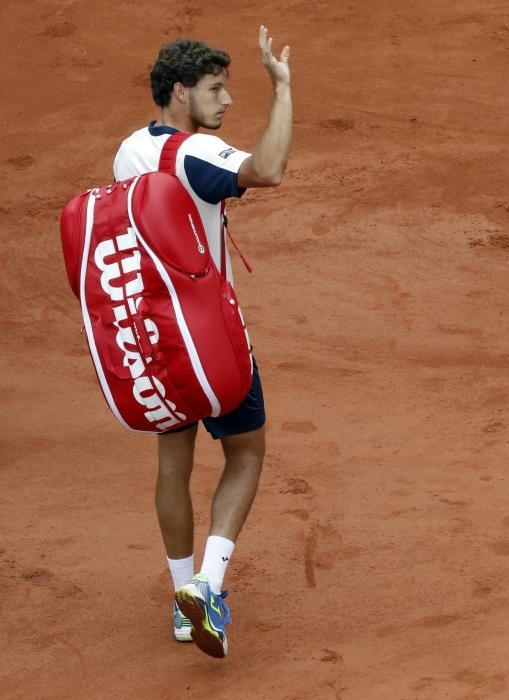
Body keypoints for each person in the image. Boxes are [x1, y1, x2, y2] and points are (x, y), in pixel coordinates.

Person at [112, 26, 292, 659]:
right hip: (209, 338)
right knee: (245, 451)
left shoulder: (129, 151)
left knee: (174, 461)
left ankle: (182, 598)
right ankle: (208, 586)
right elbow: (267, 169)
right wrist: (282, 88)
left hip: (152, 338)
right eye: (216, 89)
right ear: (181, 92)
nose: (227, 101)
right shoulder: (195, 153)